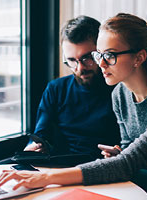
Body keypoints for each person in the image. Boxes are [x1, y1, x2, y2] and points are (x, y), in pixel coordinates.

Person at [0, 13, 147, 200]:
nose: (101, 63)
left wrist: (45, 177)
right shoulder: (120, 93)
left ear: (139, 58)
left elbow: (128, 164)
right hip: (140, 178)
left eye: (109, 55)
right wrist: (119, 153)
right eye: (99, 55)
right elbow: (128, 152)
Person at [23, 15, 120, 160]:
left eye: (87, 58)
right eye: (71, 60)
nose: (80, 68)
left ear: (101, 52)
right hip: (61, 168)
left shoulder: (121, 91)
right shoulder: (56, 89)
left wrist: (121, 153)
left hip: (106, 169)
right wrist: (34, 147)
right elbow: (41, 135)